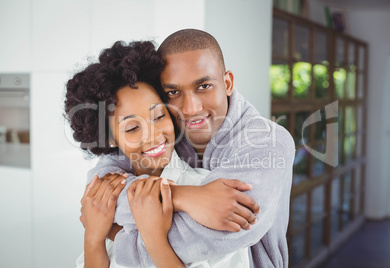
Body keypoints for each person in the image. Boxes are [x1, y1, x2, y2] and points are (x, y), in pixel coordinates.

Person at [83, 29, 295, 268]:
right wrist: (186, 197)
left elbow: (220, 235)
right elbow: (100, 190)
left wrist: (114, 235)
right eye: (173, 92)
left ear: (227, 83)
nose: (191, 108)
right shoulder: (163, 131)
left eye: (203, 86)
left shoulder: (268, 141)